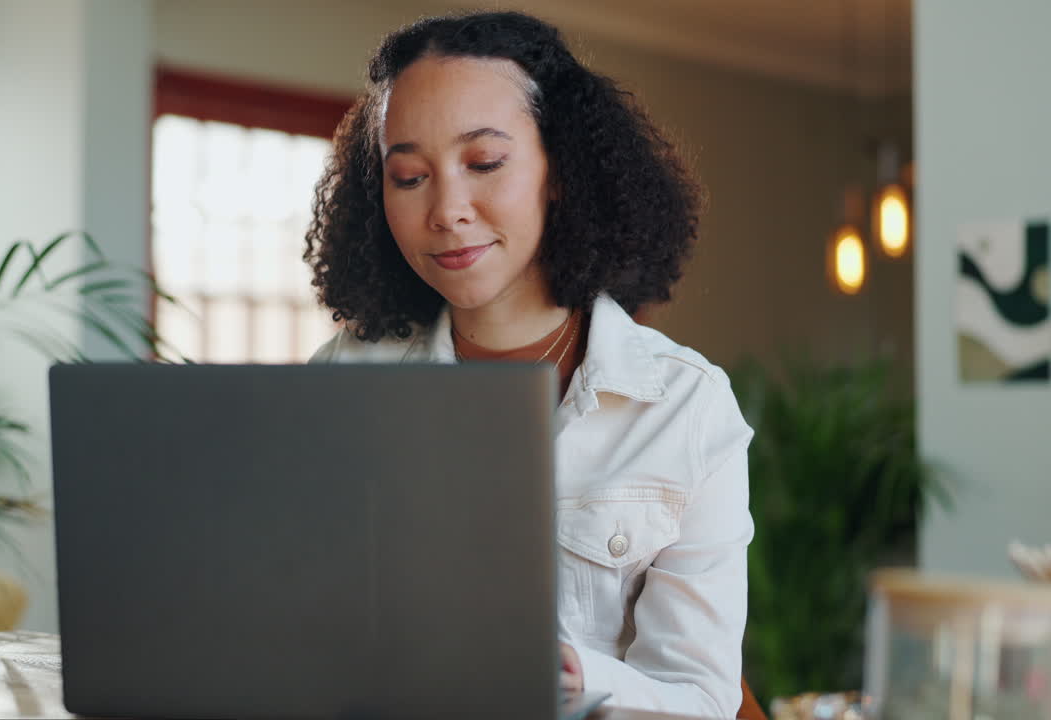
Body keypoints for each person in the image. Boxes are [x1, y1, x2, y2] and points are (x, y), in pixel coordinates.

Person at [305, 11, 753, 718]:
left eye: (484, 163)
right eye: (410, 175)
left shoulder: (682, 407)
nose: (448, 209)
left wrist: (571, 672)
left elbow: (698, 696)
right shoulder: (346, 376)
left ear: (560, 173)